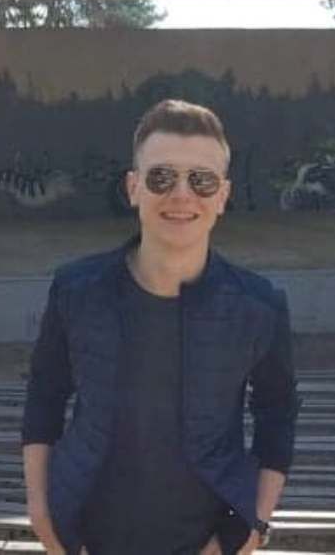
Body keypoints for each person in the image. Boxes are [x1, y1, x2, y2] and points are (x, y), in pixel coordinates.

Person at [22, 99, 298, 555]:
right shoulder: (76, 290)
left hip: (208, 541)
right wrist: (40, 511)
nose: (182, 194)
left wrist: (253, 525)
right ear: (134, 188)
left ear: (223, 196)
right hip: (84, 538)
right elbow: (44, 396)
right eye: (161, 177)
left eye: (202, 180)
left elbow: (278, 414)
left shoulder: (258, 306)